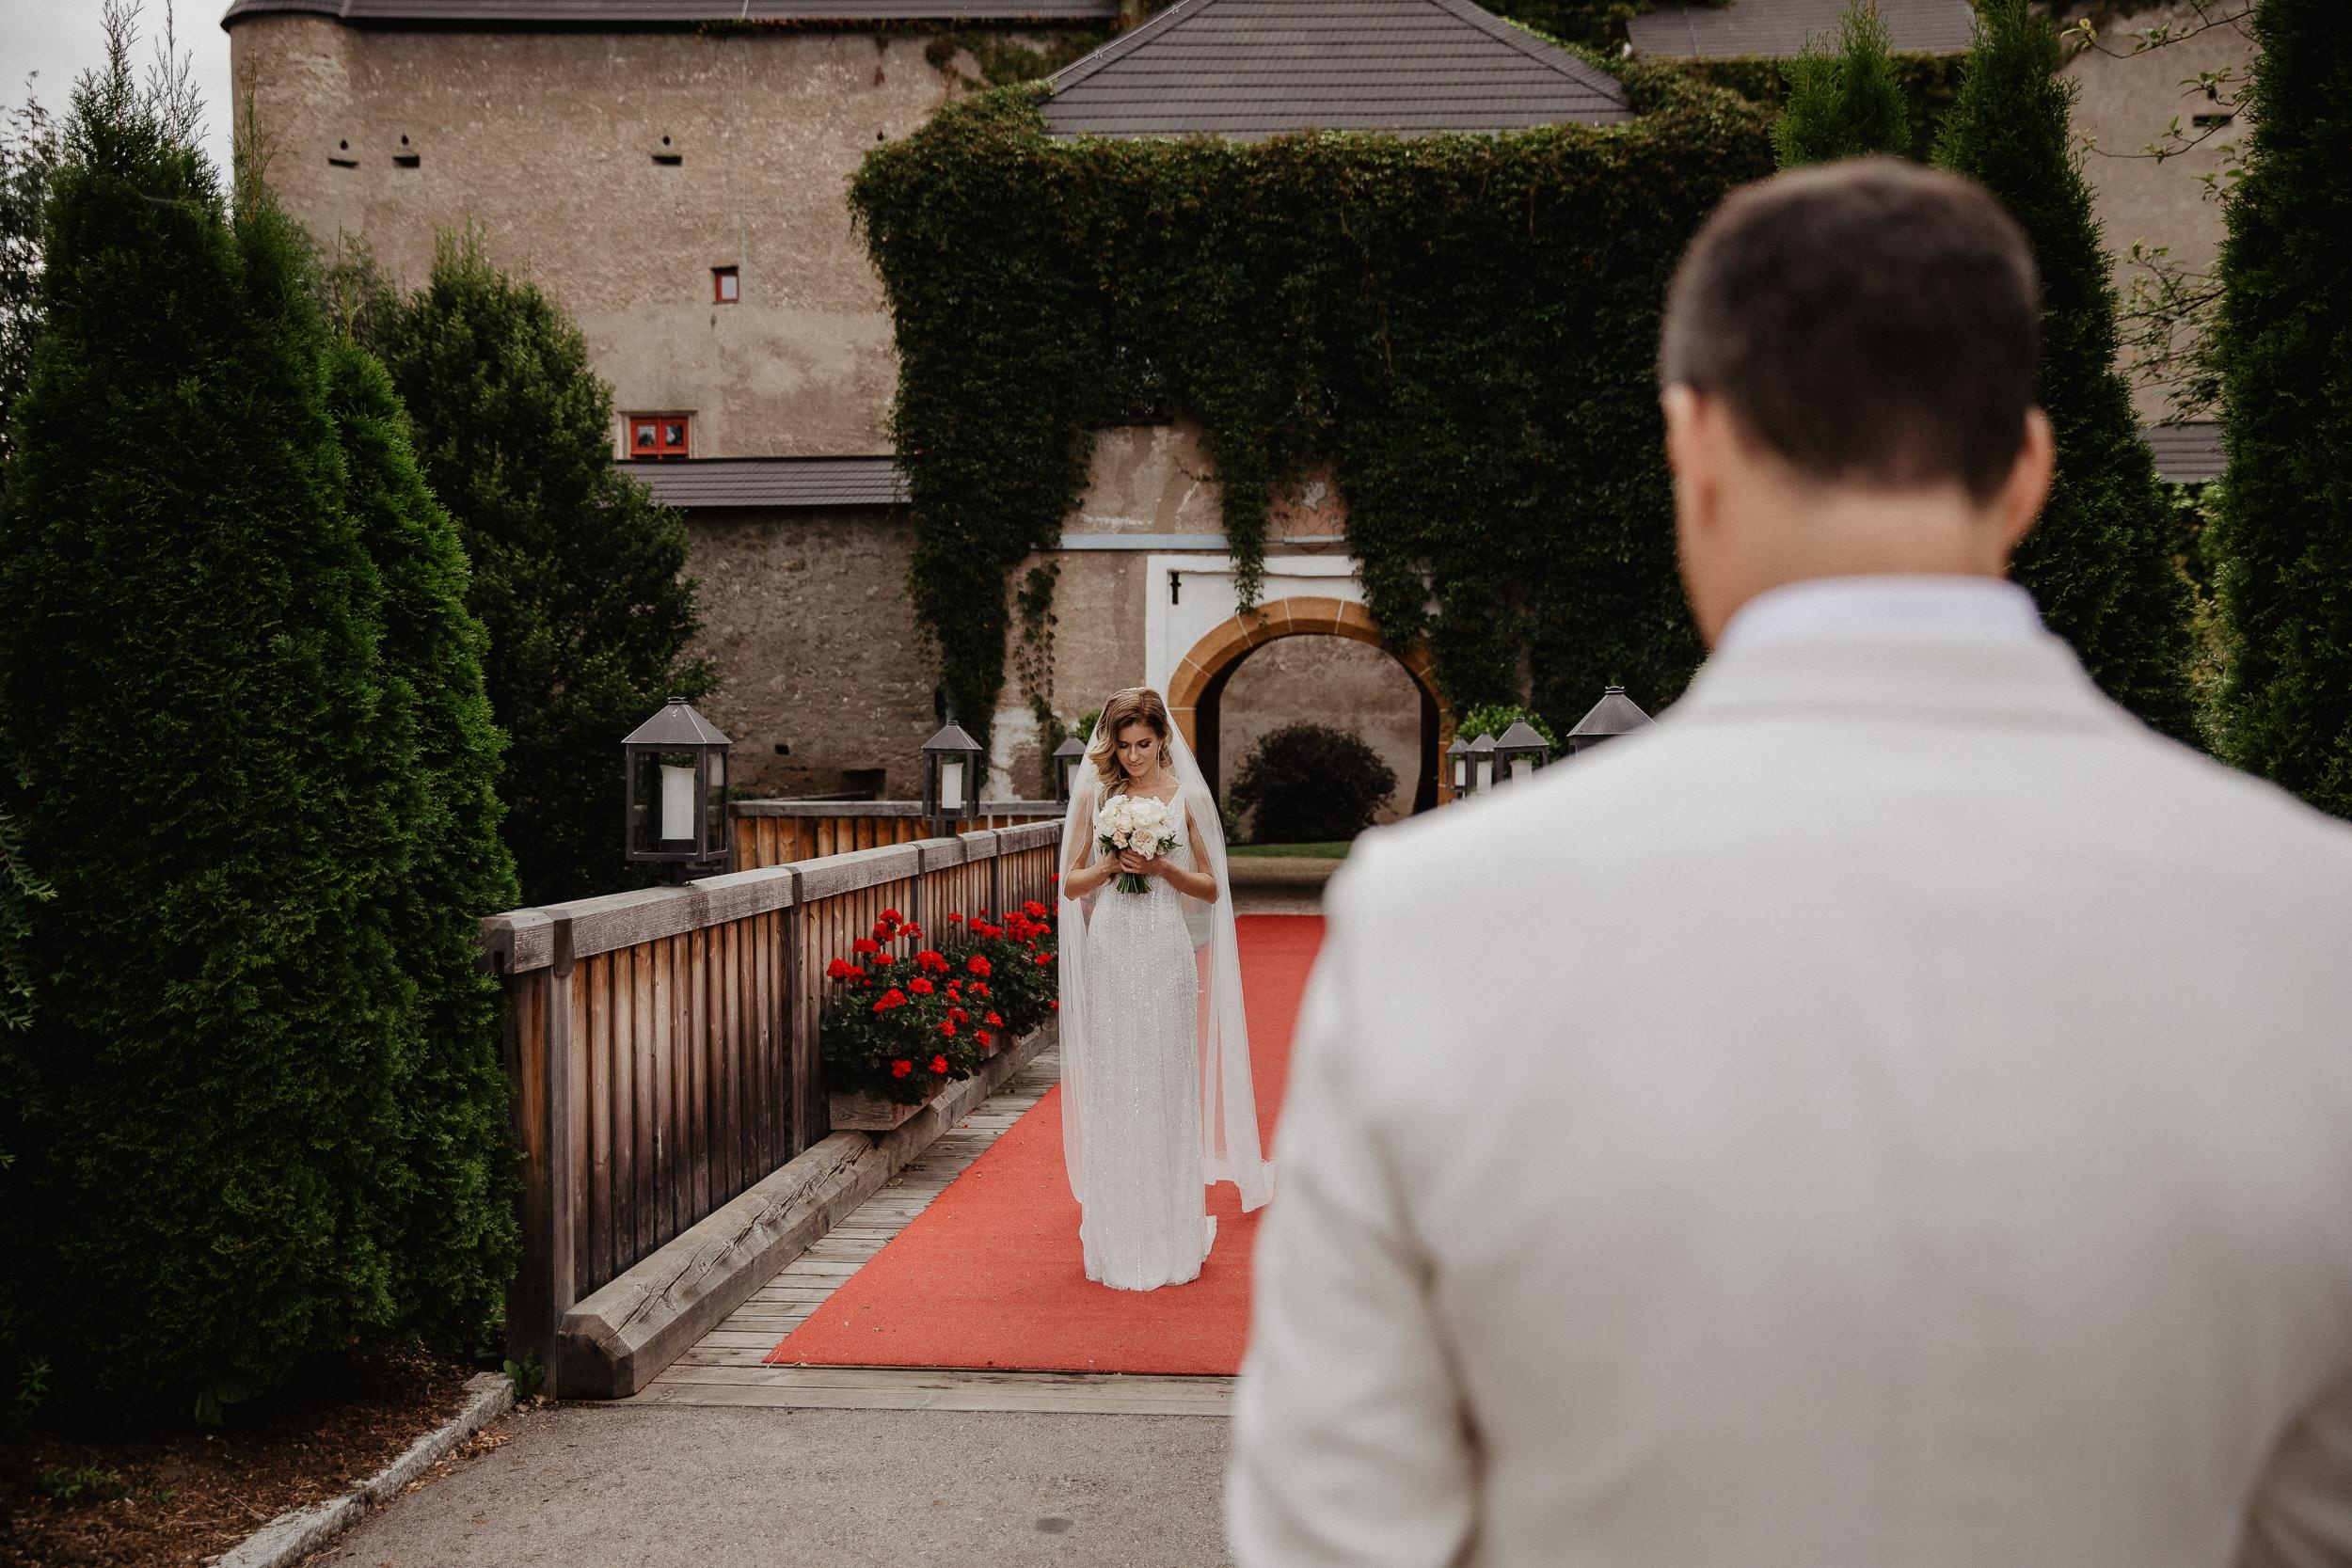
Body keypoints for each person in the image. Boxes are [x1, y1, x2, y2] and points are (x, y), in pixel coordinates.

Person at [1228, 160, 2352, 1567]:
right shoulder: (2320, 921)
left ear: (1691, 443)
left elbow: (1338, 1531)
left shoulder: (1437, 919)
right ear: (2029, 467)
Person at [1057, 687, 1273, 1291]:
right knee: (1118, 1079)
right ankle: (1119, 1231)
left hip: (1162, 946)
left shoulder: (1187, 796)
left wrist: (1161, 868)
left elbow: (1210, 887)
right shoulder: (1103, 796)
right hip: (1113, 946)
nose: (1133, 757)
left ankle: (1170, 1231)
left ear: (1162, 740)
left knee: (1164, 1080)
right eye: (1123, 747)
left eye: (1144, 745)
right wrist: (1108, 865)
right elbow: (1072, 885)